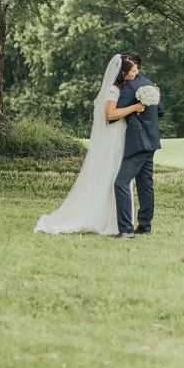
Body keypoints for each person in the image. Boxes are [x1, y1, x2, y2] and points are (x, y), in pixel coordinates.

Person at [33, 54, 145, 235]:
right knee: (111, 175)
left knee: (116, 176)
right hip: (113, 139)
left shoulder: (125, 87)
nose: (135, 73)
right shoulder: (113, 89)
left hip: (120, 137)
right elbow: (109, 115)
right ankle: (104, 219)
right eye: (132, 70)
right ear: (122, 72)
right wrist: (134, 107)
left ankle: (117, 221)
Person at [112, 52, 164, 238]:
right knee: (145, 184)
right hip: (152, 141)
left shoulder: (129, 87)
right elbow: (160, 110)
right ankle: (145, 225)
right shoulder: (150, 83)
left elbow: (112, 115)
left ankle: (126, 230)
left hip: (138, 142)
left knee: (121, 183)